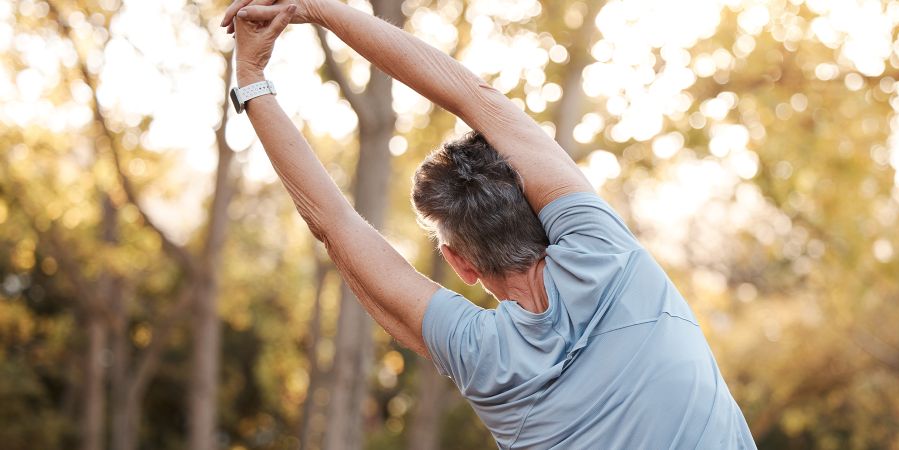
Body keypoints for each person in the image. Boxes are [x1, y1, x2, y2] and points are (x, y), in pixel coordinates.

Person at [221, 1, 757, 448]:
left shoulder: (481, 356)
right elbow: (478, 99)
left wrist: (251, 78)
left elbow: (334, 226)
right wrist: (314, 5)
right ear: (541, 206)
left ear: (460, 264)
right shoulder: (605, 252)